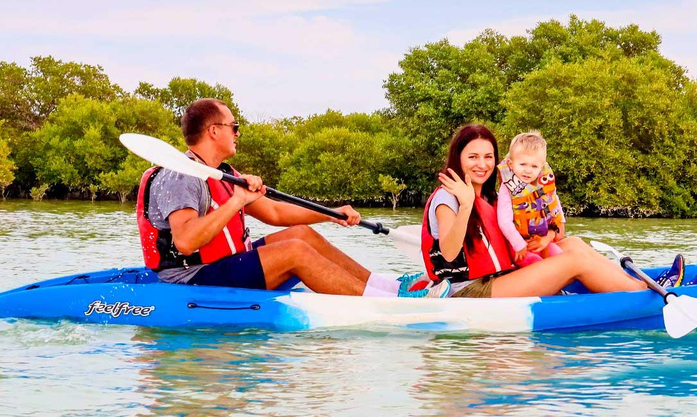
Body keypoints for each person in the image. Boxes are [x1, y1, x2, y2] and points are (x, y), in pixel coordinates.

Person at [136, 98, 449, 298]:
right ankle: (387, 304)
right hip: (189, 279)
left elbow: (274, 213)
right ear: (214, 131)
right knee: (294, 252)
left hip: (223, 263)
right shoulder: (181, 175)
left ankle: (394, 289)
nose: (238, 133)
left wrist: (330, 214)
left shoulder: (224, 172)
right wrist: (236, 202)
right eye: (235, 127)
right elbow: (186, 242)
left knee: (300, 235)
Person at [417, 123, 684, 298]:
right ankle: (644, 294)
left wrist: (548, 236)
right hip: (469, 291)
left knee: (574, 245)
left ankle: (634, 284)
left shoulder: (493, 195)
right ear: (458, 158)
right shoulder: (448, 198)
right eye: (472, 157)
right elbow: (450, 253)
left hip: (502, 275)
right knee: (574, 262)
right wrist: (465, 205)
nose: (482, 165)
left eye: (488, 157)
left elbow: (549, 229)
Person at [496, 131, 564, 268]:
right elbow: (504, 222)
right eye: (523, 164)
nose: (528, 170)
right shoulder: (506, 189)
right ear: (511, 163)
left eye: (534, 166)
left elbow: (556, 209)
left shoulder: (544, 184)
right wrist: (519, 244)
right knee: (536, 264)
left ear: (542, 167)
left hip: (542, 240)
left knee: (561, 258)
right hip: (517, 245)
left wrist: (547, 238)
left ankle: (561, 284)